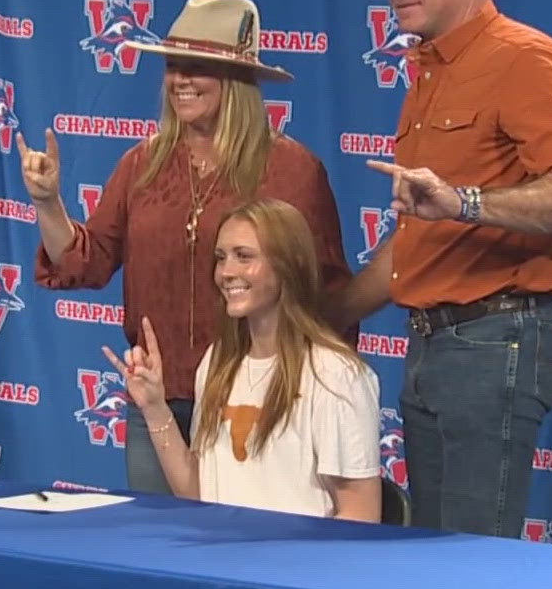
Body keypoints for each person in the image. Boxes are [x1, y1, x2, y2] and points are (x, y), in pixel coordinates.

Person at [327, 0, 552, 540]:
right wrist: (320, 318)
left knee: (470, 565)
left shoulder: (524, 58)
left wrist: (465, 202)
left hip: (495, 343)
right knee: (431, 555)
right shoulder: (428, 73)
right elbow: (421, 246)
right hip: (431, 345)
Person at [20, 0, 351, 493]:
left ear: (238, 80)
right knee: (159, 552)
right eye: (174, 66)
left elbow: (324, 293)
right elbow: (84, 263)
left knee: (243, 550)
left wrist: (311, 397)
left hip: (255, 399)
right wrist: (48, 203)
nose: (181, 80)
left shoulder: (291, 170)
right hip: (159, 397)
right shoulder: (143, 164)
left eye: (198, 67)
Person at [104, 199, 381, 521]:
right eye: (221, 258)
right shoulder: (217, 361)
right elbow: (198, 493)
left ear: (288, 265)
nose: (227, 272)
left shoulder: (334, 374)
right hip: (218, 561)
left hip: (295, 567)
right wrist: (154, 409)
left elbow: (359, 516)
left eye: (244, 257)